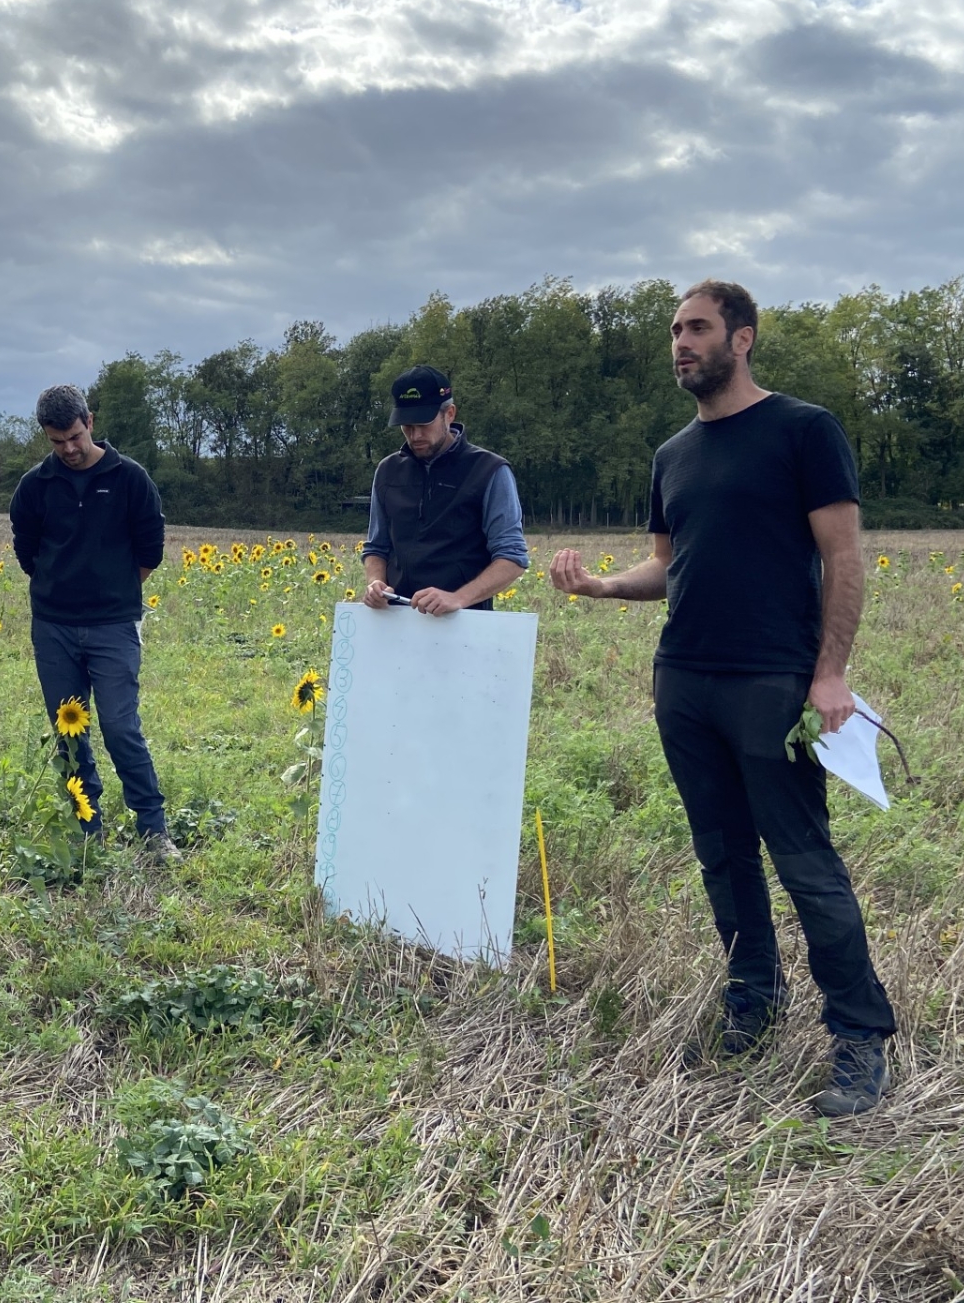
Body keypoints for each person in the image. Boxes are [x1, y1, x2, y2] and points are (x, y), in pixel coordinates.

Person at [548, 280, 896, 1117]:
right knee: (721, 854)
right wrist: (599, 585)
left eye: (697, 328)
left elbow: (844, 558)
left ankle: (858, 1035)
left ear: (742, 338)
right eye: (674, 330)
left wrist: (830, 672)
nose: (681, 342)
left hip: (772, 682)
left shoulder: (804, 432)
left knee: (805, 861)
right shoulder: (672, 455)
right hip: (684, 679)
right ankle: (753, 1003)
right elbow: (668, 565)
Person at [8, 384, 178, 860]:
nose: (69, 449)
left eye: (76, 437)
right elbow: (27, 550)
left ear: (90, 421)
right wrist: (58, 585)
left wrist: (114, 588)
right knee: (69, 731)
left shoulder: (130, 478)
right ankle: (88, 824)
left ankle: (153, 829)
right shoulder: (34, 486)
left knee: (122, 726)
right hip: (54, 626)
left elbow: (150, 548)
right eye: (57, 441)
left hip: (113, 625)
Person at [360, 365, 528, 615]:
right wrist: (375, 582)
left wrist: (457, 598)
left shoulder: (489, 471)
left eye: (423, 424)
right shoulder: (387, 471)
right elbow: (377, 546)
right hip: (395, 622)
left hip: (463, 623)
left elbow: (512, 557)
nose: (414, 435)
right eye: (406, 426)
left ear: (449, 414)